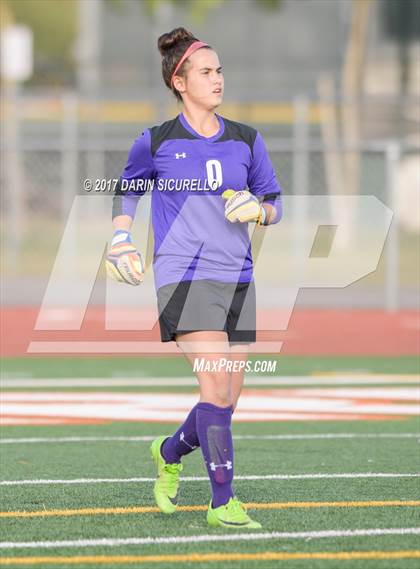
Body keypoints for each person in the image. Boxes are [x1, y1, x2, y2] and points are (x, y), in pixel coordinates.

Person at [106, 27, 282, 529]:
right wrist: (121, 237)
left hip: (238, 278)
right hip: (184, 275)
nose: (217, 78)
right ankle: (222, 501)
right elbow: (127, 189)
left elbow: (275, 202)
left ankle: (168, 451)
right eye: (206, 71)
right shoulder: (156, 140)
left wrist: (260, 212)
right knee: (214, 383)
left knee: (226, 397)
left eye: (220, 70)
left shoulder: (247, 139)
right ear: (180, 82)